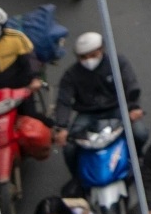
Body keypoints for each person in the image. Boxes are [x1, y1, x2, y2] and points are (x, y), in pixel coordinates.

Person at [52, 31, 145, 167]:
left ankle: (137, 158)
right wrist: (62, 127)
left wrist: (134, 107)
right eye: (83, 57)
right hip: (88, 114)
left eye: (93, 55)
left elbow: (131, 84)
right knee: (69, 149)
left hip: (116, 108)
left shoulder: (117, 63)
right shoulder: (71, 75)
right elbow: (63, 101)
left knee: (140, 134)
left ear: (101, 50)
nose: (89, 60)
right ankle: (78, 179)